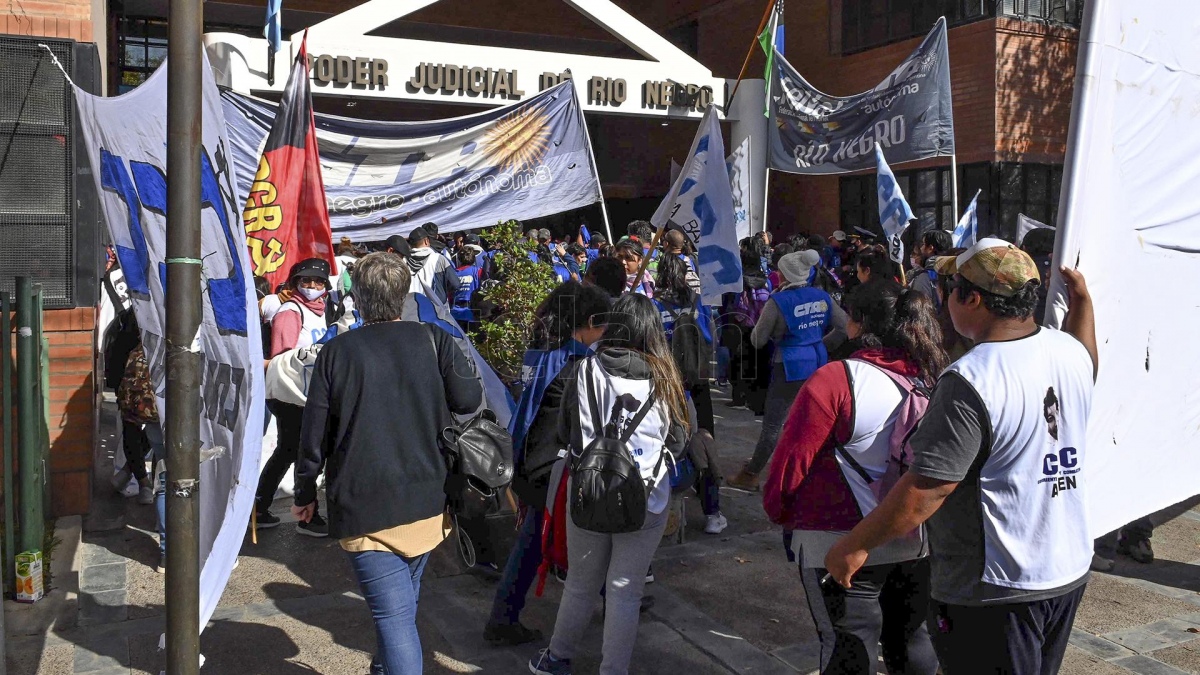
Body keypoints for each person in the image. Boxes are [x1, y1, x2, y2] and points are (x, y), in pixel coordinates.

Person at [824, 239, 1098, 675]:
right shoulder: (1069, 353)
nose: (943, 298)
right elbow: (1087, 353)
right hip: (1066, 569)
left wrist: (855, 546)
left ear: (972, 298)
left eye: (951, 288)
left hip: (996, 586)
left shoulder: (972, 378)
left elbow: (927, 490)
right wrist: (1083, 299)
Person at [294, 252, 483, 674]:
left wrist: (305, 493)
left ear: (356, 298)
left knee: (395, 618)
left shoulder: (337, 352)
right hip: (429, 498)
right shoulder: (434, 338)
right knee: (401, 611)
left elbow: (313, 436)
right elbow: (468, 400)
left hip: (366, 505)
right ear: (403, 296)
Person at [763, 279, 947, 675]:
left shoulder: (835, 379)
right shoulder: (934, 378)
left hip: (837, 540)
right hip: (914, 537)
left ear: (856, 324)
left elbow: (790, 465)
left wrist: (780, 514)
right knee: (913, 643)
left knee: (846, 647)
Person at [529, 293, 688, 675]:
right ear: (651, 331)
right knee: (625, 589)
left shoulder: (583, 370)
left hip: (588, 490)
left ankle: (557, 658)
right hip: (647, 497)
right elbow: (680, 442)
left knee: (580, 583)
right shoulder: (665, 376)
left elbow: (565, 432)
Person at [485, 282, 612, 647]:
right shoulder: (576, 364)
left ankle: (612, 593)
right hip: (550, 469)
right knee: (538, 545)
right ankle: (502, 617)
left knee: (547, 540)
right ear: (588, 321)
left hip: (525, 458)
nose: (603, 334)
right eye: (601, 326)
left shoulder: (540, 352)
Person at [728, 250, 841, 492]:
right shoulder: (822, 296)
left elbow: (758, 339)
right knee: (812, 420)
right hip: (818, 361)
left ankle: (751, 473)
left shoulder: (777, 301)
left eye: (779, 270)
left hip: (788, 364)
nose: (776, 273)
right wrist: (820, 344)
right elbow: (845, 327)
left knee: (772, 424)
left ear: (785, 275)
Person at [256, 257, 338, 536]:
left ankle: (261, 506)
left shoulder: (323, 309)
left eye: (318, 281)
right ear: (295, 283)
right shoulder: (290, 311)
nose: (312, 286)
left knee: (291, 451)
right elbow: (282, 360)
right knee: (303, 452)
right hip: (290, 394)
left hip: (309, 392)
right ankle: (305, 515)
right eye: (306, 281)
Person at [653, 255, 724, 534]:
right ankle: (713, 513)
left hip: (667, 385)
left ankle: (665, 507)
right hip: (698, 381)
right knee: (703, 441)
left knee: (668, 443)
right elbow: (712, 340)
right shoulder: (700, 302)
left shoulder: (654, 306)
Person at [407, 226, 459, 304]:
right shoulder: (439, 259)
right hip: (436, 309)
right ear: (426, 241)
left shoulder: (403, 261)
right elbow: (455, 284)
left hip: (411, 309)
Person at [908, 230, 952, 307]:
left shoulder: (925, 277)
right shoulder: (956, 274)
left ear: (930, 248)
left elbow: (919, 310)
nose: (921, 248)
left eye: (923, 244)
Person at [451, 248, 483, 326]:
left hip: (456, 312)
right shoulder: (478, 271)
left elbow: (449, 293)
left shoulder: (453, 273)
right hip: (472, 311)